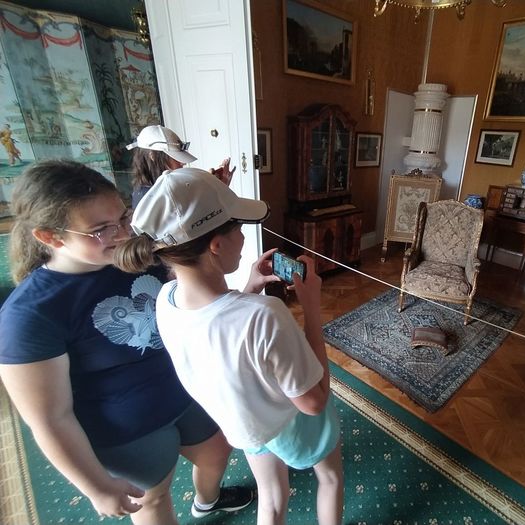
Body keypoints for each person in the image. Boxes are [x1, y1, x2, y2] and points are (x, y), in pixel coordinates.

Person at [0, 160, 255, 525]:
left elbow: (196, 285)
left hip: (188, 390)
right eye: (101, 229)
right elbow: (50, 419)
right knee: (154, 500)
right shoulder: (28, 315)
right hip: (126, 430)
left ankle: (207, 501)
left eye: (123, 217)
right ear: (51, 237)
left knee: (218, 450)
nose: (122, 234)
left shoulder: (139, 254)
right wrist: (95, 486)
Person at [114, 168, 344, 525]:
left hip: (245, 424)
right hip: (289, 422)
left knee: (272, 498)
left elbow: (220, 333)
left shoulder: (166, 298)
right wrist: (312, 308)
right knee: (329, 479)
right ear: (216, 245)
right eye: (237, 227)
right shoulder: (265, 315)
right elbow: (314, 402)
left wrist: (249, 287)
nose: (243, 234)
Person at [126, 124, 232, 208]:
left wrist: (218, 186)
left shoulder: (168, 188)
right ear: (153, 156)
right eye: (175, 157)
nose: (183, 163)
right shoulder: (149, 199)